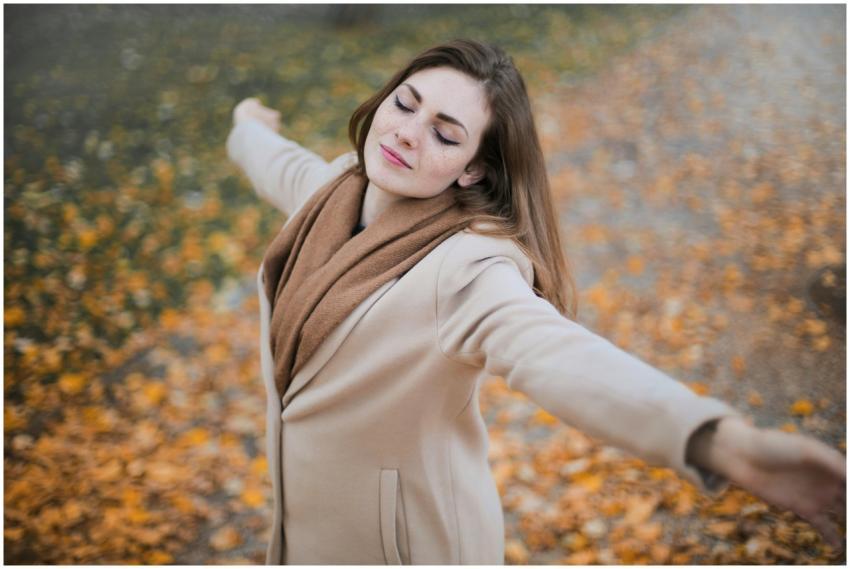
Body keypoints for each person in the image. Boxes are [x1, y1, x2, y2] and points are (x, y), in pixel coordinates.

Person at [226, 39, 845, 565]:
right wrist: (246, 124)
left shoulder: (467, 267)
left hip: (411, 548)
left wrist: (720, 443)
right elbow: (277, 162)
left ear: (472, 169)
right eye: (405, 104)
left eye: (444, 134)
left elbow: (559, 357)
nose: (407, 134)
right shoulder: (331, 192)